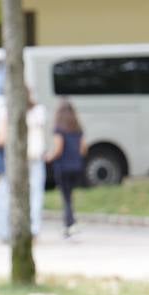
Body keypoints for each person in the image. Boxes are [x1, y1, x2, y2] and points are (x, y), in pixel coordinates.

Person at [0, 91, 46, 241]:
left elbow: (1, 139)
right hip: (35, 157)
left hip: (15, 158)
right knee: (35, 194)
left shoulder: (7, 112)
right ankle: (32, 229)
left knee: (6, 193)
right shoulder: (38, 112)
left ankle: (3, 229)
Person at [46, 99, 87, 238]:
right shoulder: (77, 129)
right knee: (70, 196)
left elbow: (58, 149)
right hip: (76, 166)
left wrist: (48, 157)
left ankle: (69, 224)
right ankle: (71, 222)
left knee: (66, 197)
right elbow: (83, 149)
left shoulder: (59, 129)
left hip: (63, 167)